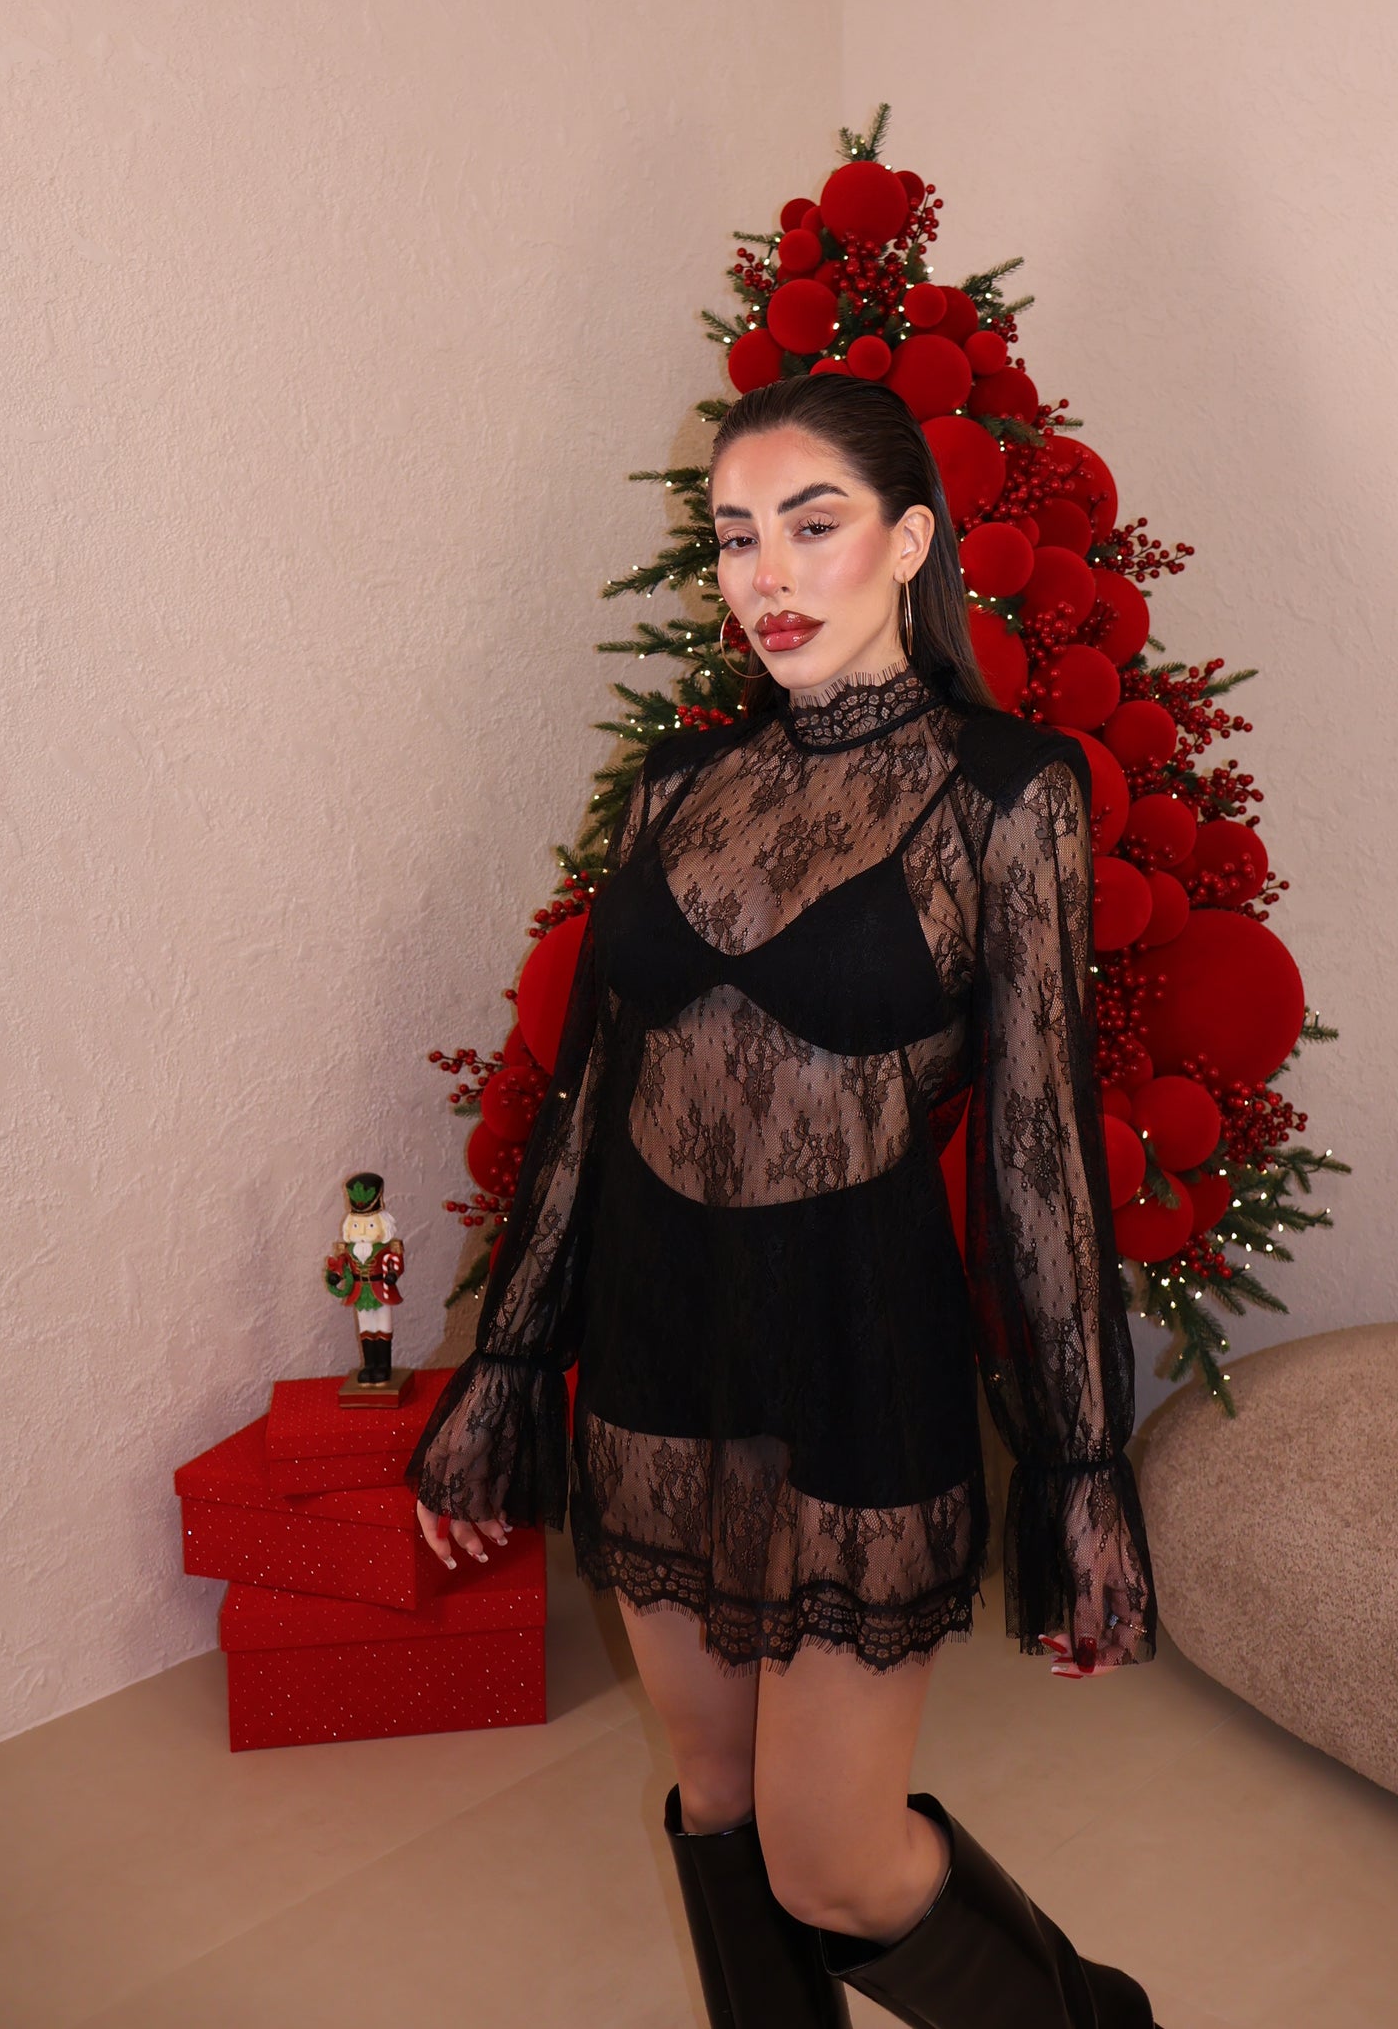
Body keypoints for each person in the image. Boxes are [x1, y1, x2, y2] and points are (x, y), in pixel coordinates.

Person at [408, 371, 1160, 2029]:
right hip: (658, 1337)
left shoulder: (1007, 788)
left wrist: (1079, 1465)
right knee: (719, 1796)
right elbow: (590, 1097)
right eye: (736, 535)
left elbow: (1040, 1147)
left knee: (833, 1862)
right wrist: (506, 1366)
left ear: (912, 540)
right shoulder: (679, 782)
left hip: (856, 1344)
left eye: (813, 526)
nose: (768, 574)